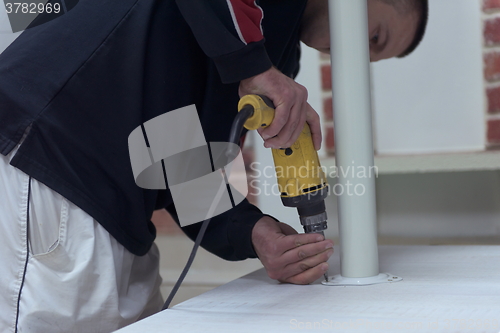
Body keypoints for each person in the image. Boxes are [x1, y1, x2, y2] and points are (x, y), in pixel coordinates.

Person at [0, 0, 428, 331]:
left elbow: (180, 161)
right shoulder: (256, 51)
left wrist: (254, 233)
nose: (357, 53)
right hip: (50, 163)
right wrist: (252, 67)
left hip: (114, 218)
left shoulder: (271, 55)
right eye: (376, 37)